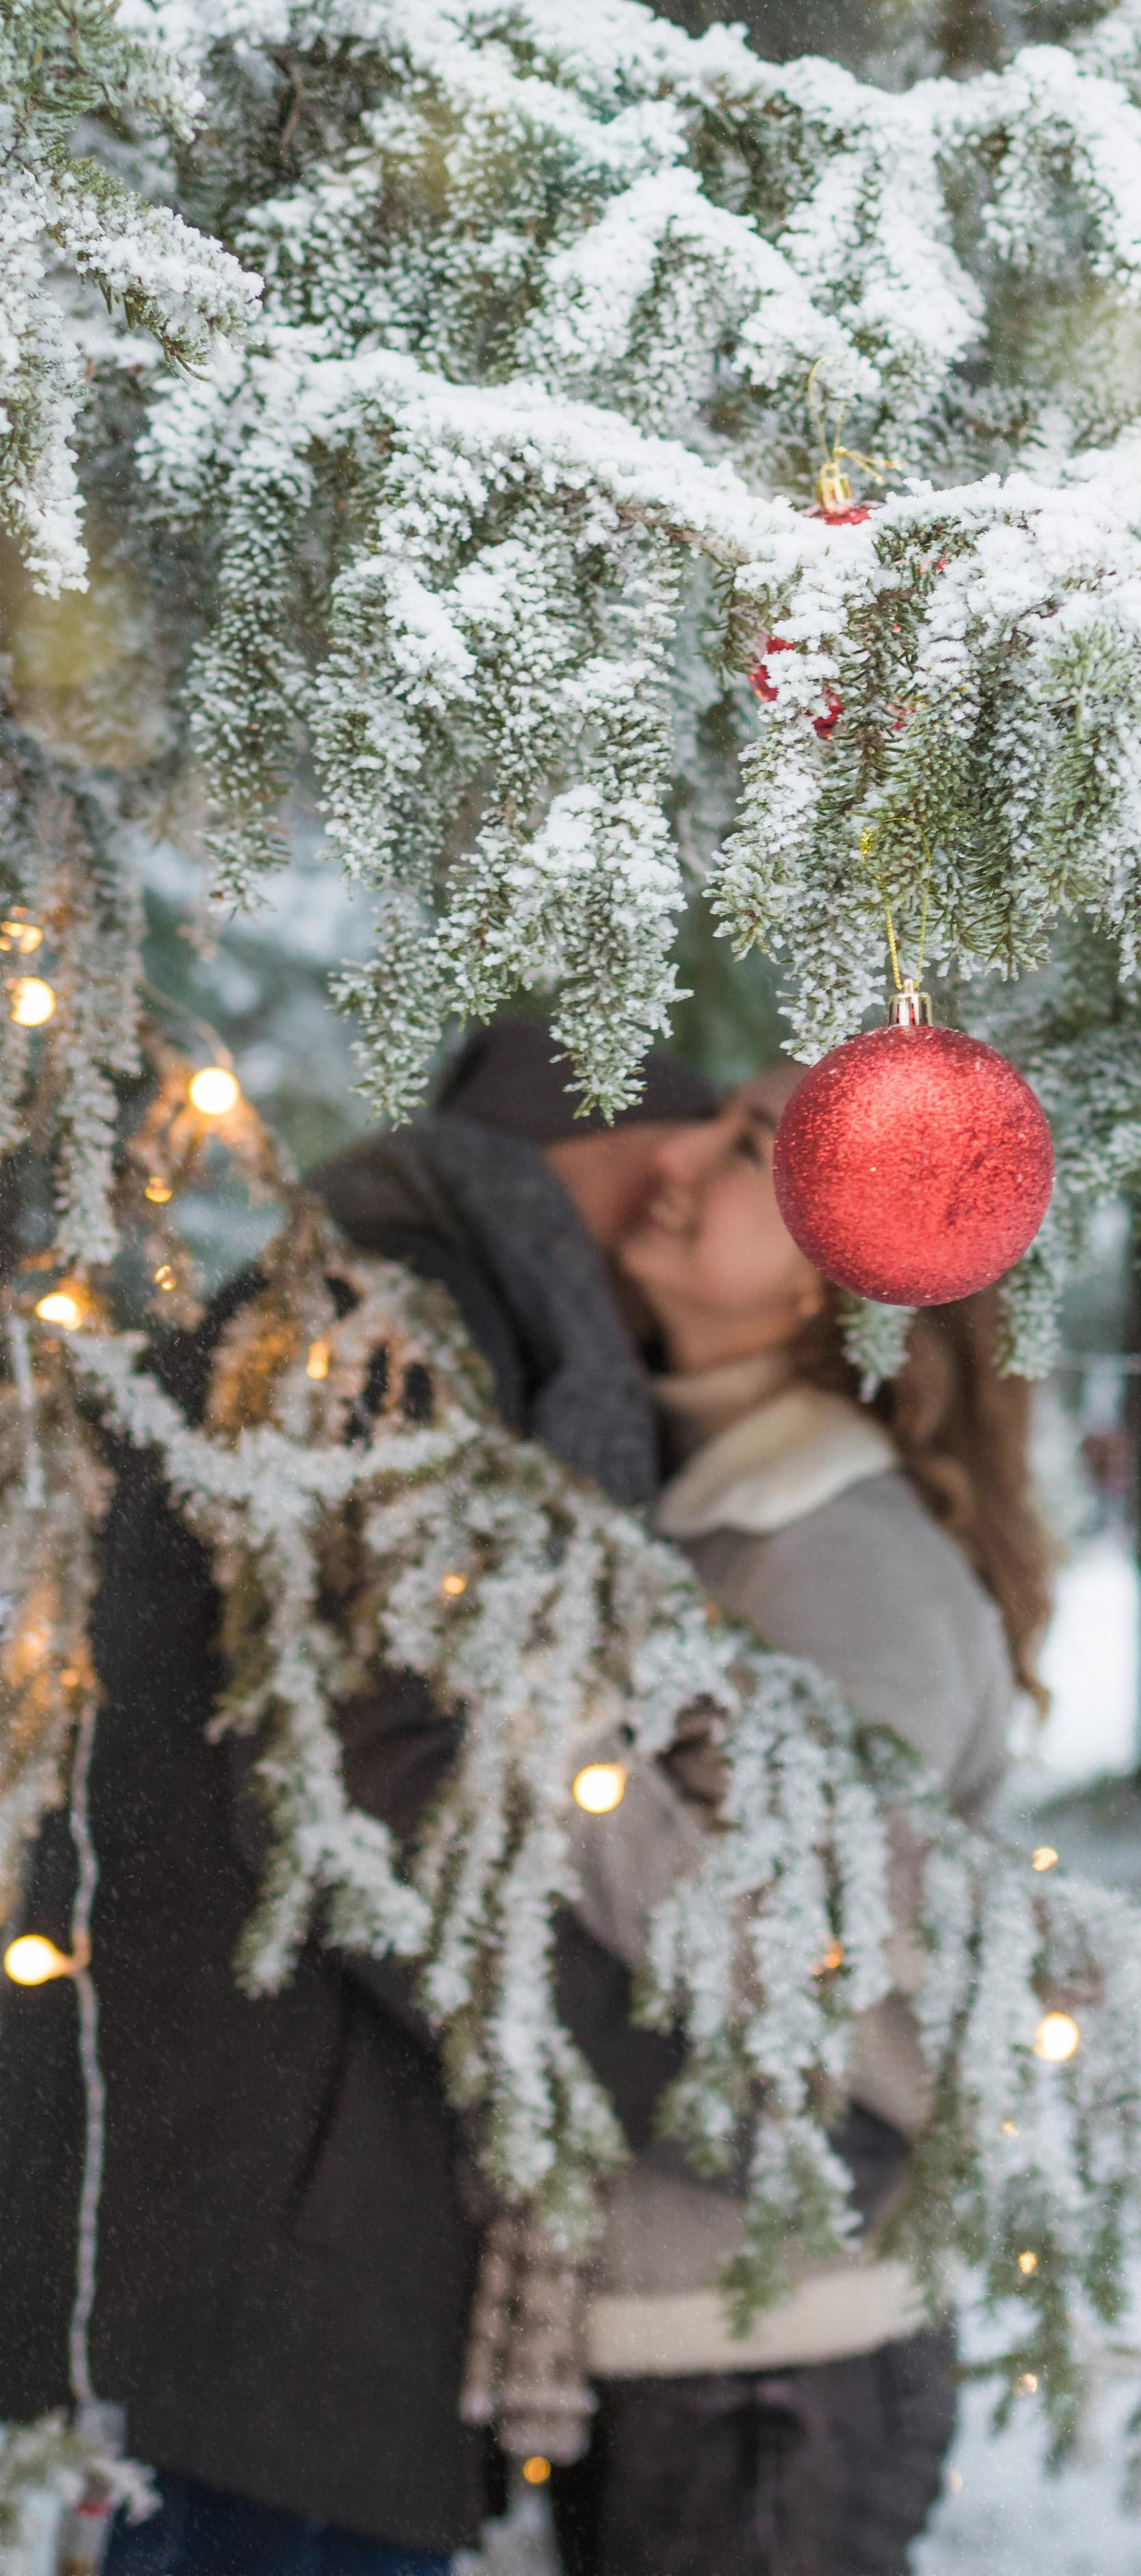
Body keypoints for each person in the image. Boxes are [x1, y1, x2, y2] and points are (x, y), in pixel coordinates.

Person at [0, 1025, 715, 2575]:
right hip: (289, 2226)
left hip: (266, 2181)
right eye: (702, 1165)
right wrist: (678, 2072)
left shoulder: (389, 1307)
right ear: (640, 1155)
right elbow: (379, 1813)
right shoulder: (397, 1340)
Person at [550, 1062, 1056, 2576]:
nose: (680, 1153)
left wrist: (539, 1709)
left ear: (838, 1285)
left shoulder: (835, 1553)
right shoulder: (707, 1504)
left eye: (755, 1147)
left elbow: (777, 1950)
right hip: (690, 2333)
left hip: (774, 2359)